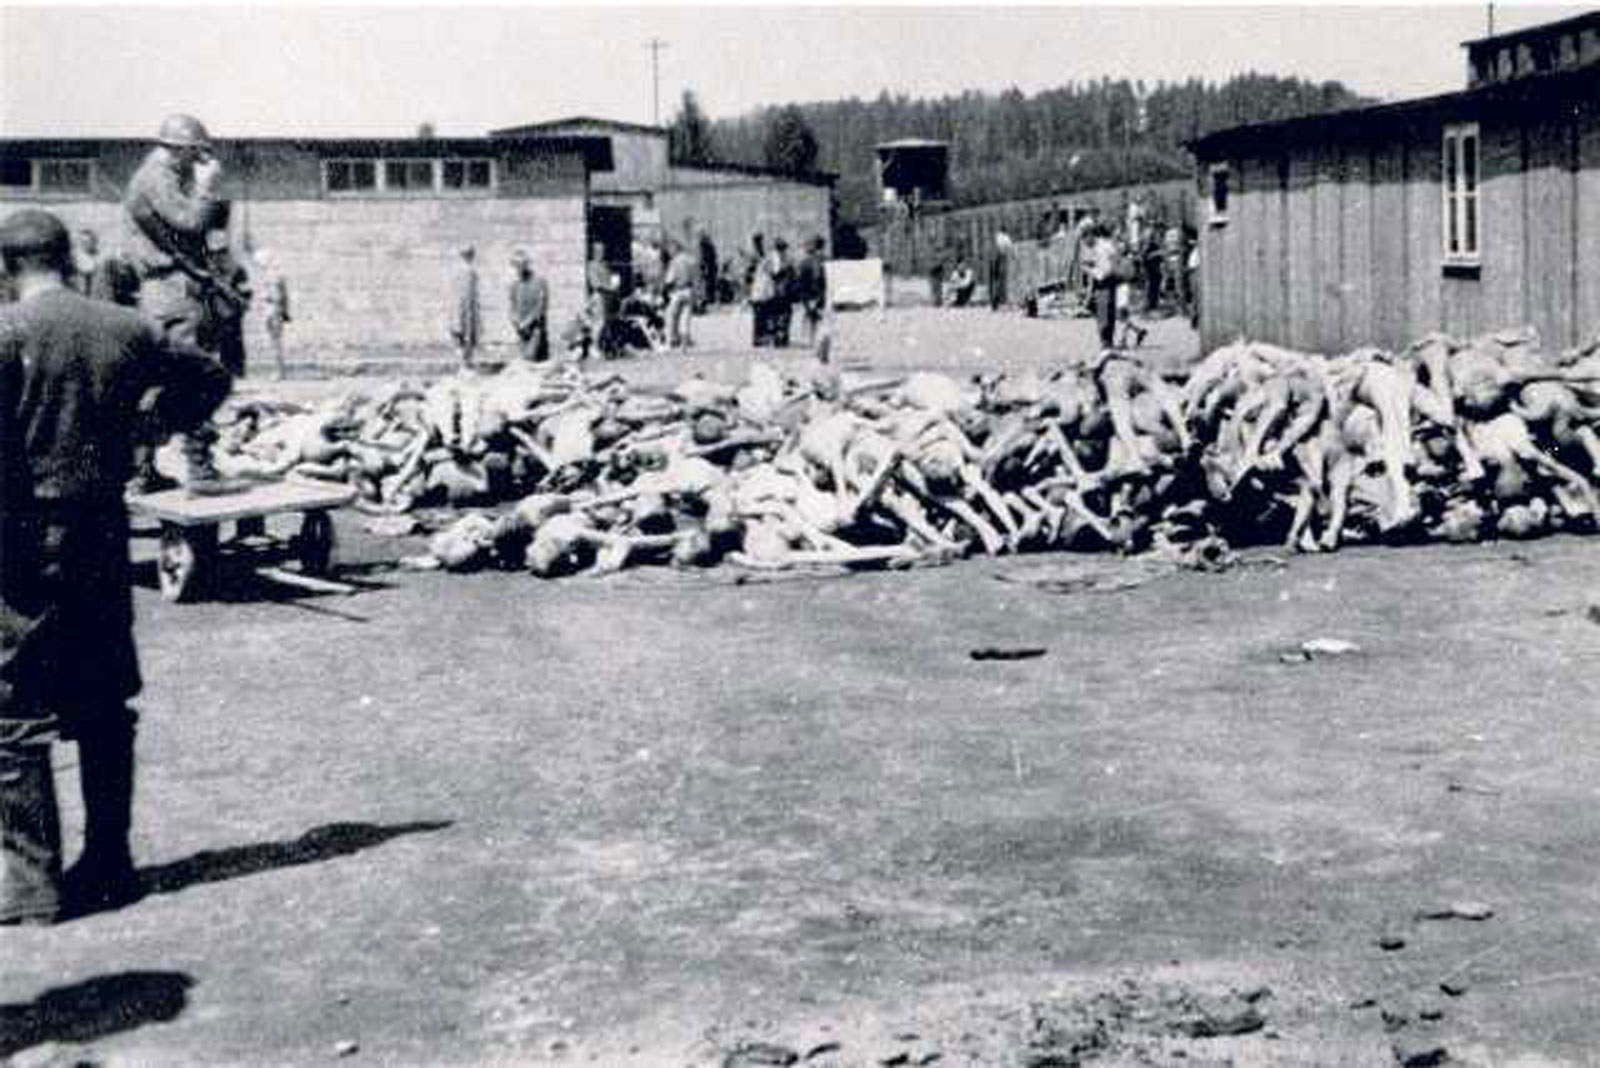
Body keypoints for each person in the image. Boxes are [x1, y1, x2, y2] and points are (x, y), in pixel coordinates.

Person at [0, 208, 233, 924]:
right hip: (101, 533)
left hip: (19, 538)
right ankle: (109, 865)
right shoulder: (125, 328)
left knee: (13, 711)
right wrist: (147, 427)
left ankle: (33, 886)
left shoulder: (8, 331)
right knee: (104, 702)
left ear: (7, 269)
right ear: (68, 260)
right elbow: (209, 377)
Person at [121, 113, 241, 493]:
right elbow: (190, 222)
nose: (200, 162)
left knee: (160, 381)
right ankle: (198, 466)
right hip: (173, 289)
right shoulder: (157, 177)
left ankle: (143, 471)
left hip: (174, 287)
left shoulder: (162, 176)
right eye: (196, 154)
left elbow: (208, 229)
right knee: (198, 375)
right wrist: (207, 188)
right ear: (178, 150)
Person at [507, 249, 549, 362]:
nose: (519, 269)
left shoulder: (540, 282)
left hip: (535, 331)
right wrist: (514, 320)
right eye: (516, 266)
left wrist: (527, 322)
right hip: (520, 332)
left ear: (527, 264)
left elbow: (541, 307)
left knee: (532, 359)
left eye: (521, 265)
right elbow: (511, 306)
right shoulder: (514, 285)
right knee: (522, 363)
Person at [256, 249, 291, 379]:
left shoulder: (272, 276)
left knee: (275, 342)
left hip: (272, 310)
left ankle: (279, 372)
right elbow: (285, 297)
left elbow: (277, 296)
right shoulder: (276, 275)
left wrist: (265, 296)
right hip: (275, 310)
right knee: (275, 342)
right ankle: (280, 371)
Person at [585, 242, 622, 359]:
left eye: (602, 250)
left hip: (609, 297)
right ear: (593, 252)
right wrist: (610, 287)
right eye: (598, 251)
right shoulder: (591, 265)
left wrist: (614, 284)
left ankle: (605, 348)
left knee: (607, 323)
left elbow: (609, 281)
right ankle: (593, 347)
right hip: (599, 297)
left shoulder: (604, 265)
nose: (601, 253)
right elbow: (596, 284)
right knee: (599, 323)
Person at [663, 239, 697, 350]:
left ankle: (671, 340)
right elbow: (696, 277)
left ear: (675, 249)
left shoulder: (674, 262)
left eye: (671, 249)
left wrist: (665, 289)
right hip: (689, 290)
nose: (670, 251)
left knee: (672, 316)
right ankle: (685, 342)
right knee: (686, 318)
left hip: (677, 291)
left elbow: (669, 280)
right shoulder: (691, 260)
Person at [451, 245, 481, 367]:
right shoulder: (469, 272)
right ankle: (465, 364)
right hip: (465, 306)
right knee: (466, 335)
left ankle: (465, 363)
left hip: (462, 306)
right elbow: (468, 293)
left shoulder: (460, 271)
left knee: (463, 335)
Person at [748, 233, 776, 347]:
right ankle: (759, 337)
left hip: (760, 287)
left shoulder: (759, 255)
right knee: (761, 313)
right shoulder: (759, 255)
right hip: (761, 286)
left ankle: (759, 337)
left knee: (760, 313)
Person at [987, 230, 1011, 311]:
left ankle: (994, 302)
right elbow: (1007, 249)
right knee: (998, 282)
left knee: (994, 282)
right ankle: (996, 302)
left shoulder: (998, 237)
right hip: (998, 259)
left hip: (995, 260)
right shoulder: (1005, 238)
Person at [696, 230, 718, 312]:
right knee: (707, 287)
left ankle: (704, 304)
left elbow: (705, 258)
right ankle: (705, 303)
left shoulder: (705, 246)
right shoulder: (709, 246)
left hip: (708, 269)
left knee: (705, 287)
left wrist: (703, 268)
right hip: (710, 269)